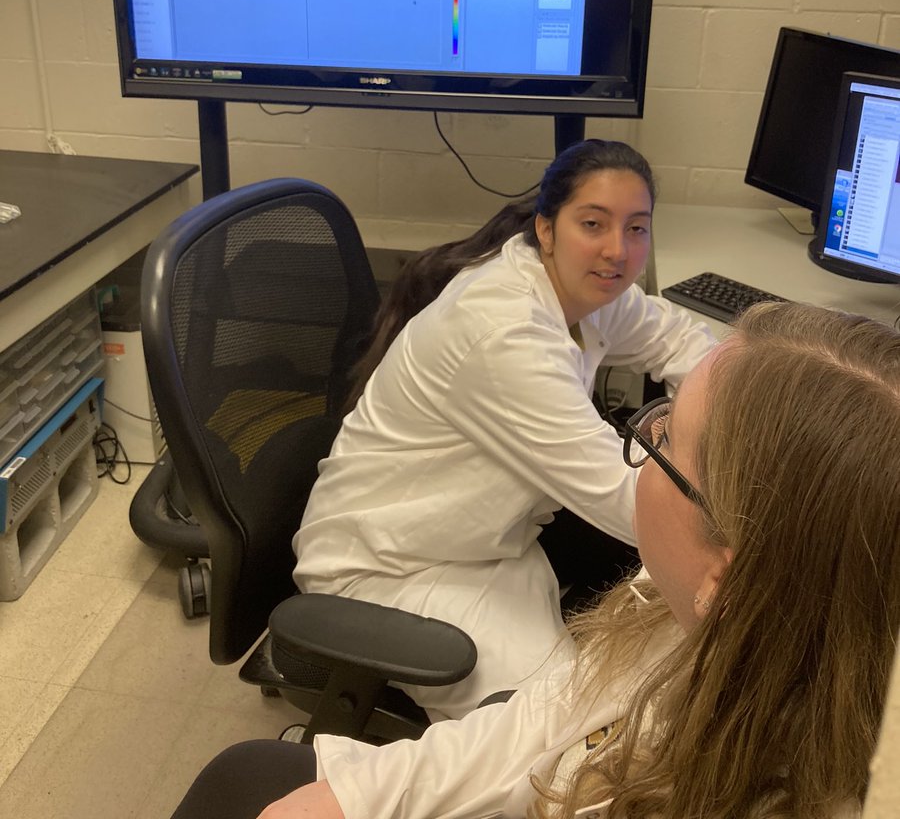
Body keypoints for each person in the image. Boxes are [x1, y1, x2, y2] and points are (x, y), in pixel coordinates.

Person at [171, 302, 900, 819]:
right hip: (395, 557)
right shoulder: (729, 609)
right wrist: (356, 797)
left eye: (667, 437)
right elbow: (550, 719)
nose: (643, 438)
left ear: (729, 579)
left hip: (467, 556)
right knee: (250, 775)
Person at [293, 139, 717, 719]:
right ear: (546, 229)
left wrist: (742, 408)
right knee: (568, 735)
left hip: (488, 545)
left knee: (624, 668)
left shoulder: (583, 291)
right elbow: (628, 498)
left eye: (636, 229)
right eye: (593, 223)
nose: (617, 250)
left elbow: (681, 340)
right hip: (392, 569)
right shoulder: (504, 331)